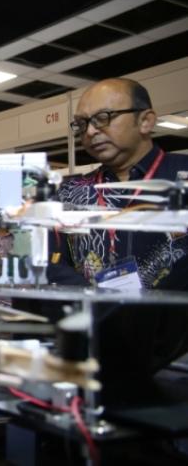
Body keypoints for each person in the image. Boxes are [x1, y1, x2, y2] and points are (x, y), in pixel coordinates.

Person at [47, 77, 188, 399]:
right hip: (95, 349)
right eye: (81, 123)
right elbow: (52, 263)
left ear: (146, 120)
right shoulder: (71, 191)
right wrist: (101, 303)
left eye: (103, 118)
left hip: (176, 358)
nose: (91, 131)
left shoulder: (181, 179)